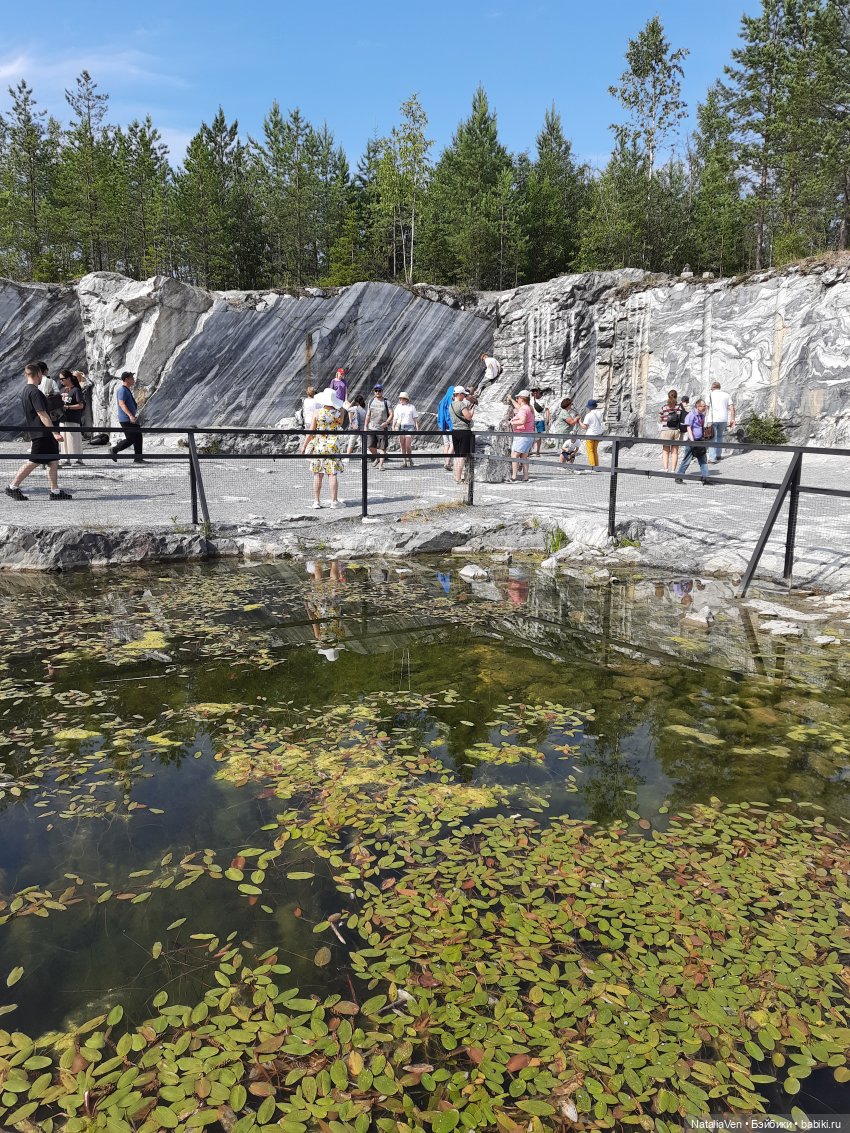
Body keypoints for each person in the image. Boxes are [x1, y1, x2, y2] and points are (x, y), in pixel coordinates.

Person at [5, 362, 72, 501]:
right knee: (34, 461)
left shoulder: (25, 391)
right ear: (38, 374)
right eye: (41, 374)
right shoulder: (35, 392)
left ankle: (55, 491)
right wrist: (54, 432)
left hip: (40, 432)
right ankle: (13, 487)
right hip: (42, 433)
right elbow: (42, 414)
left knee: (53, 460)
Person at [302, 388, 345, 508]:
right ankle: (334, 501)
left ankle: (316, 501)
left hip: (319, 444)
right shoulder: (337, 413)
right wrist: (340, 407)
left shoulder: (317, 412)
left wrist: (305, 445)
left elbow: (311, 431)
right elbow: (340, 423)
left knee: (318, 473)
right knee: (332, 474)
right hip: (333, 444)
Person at [110, 372, 146, 463]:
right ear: (126, 379)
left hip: (129, 418)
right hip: (126, 419)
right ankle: (114, 450)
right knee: (131, 438)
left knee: (138, 436)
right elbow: (121, 404)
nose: (133, 380)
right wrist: (130, 415)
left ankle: (138, 458)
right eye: (131, 378)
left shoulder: (126, 390)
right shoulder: (122, 390)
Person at [675, 398, 712, 485]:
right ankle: (679, 477)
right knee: (686, 460)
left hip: (700, 441)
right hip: (692, 441)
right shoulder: (691, 415)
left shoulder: (702, 415)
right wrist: (692, 442)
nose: (704, 408)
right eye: (703, 406)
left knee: (703, 460)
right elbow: (689, 428)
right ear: (697, 406)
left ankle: (705, 478)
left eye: (705, 406)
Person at [58, 370, 85, 465]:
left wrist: (68, 407)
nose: (61, 381)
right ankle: (66, 459)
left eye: (63, 379)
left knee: (74, 439)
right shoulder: (62, 390)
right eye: (60, 379)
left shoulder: (76, 390)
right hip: (63, 419)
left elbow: (81, 405)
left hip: (73, 419)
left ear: (69, 378)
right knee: (64, 440)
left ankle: (78, 459)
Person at [706, 381, 736, 464]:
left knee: (712, 438)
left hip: (712, 419)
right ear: (719, 387)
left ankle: (712, 458)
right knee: (719, 436)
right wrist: (732, 419)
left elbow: (706, 408)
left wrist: (704, 419)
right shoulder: (726, 395)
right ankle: (718, 455)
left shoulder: (710, 395)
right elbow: (732, 407)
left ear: (712, 388)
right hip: (723, 419)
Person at [508, 390, 535, 482]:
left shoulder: (524, 409)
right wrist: (511, 400)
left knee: (514, 455)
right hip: (529, 435)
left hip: (522, 435)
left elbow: (522, 420)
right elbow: (519, 407)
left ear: (521, 399)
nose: (517, 399)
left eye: (518, 398)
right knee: (524, 456)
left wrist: (512, 422)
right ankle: (525, 477)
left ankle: (514, 477)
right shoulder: (529, 407)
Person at [449, 385, 474, 484]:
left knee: (457, 455)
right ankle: (459, 478)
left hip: (455, 431)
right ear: (459, 394)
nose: (464, 396)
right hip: (464, 432)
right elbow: (468, 417)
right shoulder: (461, 404)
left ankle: (456, 476)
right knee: (462, 456)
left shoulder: (451, 405)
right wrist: (472, 411)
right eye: (463, 394)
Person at [365, 383, 393, 469]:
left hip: (382, 428)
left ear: (382, 391)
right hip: (372, 427)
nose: (378, 392)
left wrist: (387, 422)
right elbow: (368, 415)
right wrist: (366, 425)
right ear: (374, 391)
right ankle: (377, 458)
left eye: (379, 390)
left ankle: (381, 464)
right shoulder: (371, 401)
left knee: (383, 448)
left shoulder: (386, 402)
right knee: (370, 446)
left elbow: (391, 414)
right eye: (376, 390)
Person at [658, 388, 686, 472]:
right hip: (676, 430)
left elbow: (659, 419)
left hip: (666, 430)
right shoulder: (679, 407)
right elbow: (682, 417)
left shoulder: (664, 407)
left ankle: (666, 468)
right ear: (676, 397)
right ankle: (673, 470)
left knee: (665, 450)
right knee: (675, 451)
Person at [393, 391, 419, 468]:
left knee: (408, 445)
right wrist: (393, 426)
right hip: (400, 426)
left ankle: (410, 458)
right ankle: (404, 461)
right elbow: (395, 417)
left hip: (410, 426)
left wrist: (417, 426)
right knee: (402, 444)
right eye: (400, 398)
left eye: (402, 398)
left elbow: (415, 418)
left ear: (406, 399)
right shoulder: (398, 407)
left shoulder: (411, 407)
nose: (400, 400)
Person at [552, 397, 581, 464]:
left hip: (567, 433)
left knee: (570, 450)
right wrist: (577, 417)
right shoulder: (564, 412)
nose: (572, 406)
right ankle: (563, 465)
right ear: (568, 405)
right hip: (564, 433)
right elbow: (572, 422)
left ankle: (568, 465)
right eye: (571, 404)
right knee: (565, 450)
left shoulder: (565, 412)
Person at [579, 399, 604, 469]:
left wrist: (579, 422)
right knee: (595, 450)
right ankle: (596, 466)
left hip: (590, 434)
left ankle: (592, 466)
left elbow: (585, 427)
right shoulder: (600, 413)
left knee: (590, 451)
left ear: (589, 407)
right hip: (597, 434)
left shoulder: (588, 415)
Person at [437, 384, 455, 470]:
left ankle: (446, 461)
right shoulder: (451, 401)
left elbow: (439, 415)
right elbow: (450, 415)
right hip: (450, 426)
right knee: (453, 444)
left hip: (443, 426)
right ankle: (448, 463)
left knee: (446, 444)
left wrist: (440, 425)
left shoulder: (442, 401)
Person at [530, 387, 549, 456]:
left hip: (540, 419)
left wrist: (547, 418)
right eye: (533, 391)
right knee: (531, 435)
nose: (535, 392)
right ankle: (530, 450)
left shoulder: (544, 399)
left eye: (536, 391)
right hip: (532, 419)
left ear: (539, 391)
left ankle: (537, 451)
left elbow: (547, 409)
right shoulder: (531, 399)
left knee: (539, 435)